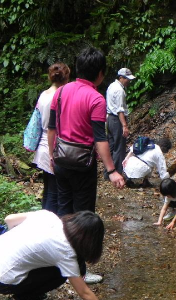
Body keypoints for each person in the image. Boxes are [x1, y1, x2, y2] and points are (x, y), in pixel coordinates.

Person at [48, 47, 124, 283]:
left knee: (63, 212)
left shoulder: (60, 93)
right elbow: (100, 138)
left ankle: (58, 264)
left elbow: (51, 128)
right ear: (100, 74)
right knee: (82, 217)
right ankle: (79, 271)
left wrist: (53, 155)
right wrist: (112, 170)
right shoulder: (96, 98)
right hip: (83, 165)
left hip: (61, 159)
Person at [0, 210, 104, 300]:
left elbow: (9, 219)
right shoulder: (65, 251)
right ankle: (25, 296)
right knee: (60, 274)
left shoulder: (48, 216)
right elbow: (84, 293)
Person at [32, 62, 70, 214]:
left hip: (42, 147)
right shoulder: (59, 96)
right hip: (52, 147)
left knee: (48, 190)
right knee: (55, 193)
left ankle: (43, 223)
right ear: (66, 78)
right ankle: (50, 227)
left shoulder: (44, 94)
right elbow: (55, 126)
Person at [103, 68, 136, 178]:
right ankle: (117, 173)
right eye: (127, 79)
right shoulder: (120, 90)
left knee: (111, 146)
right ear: (121, 78)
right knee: (119, 147)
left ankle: (107, 173)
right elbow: (120, 110)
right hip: (117, 120)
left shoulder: (111, 86)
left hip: (109, 119)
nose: (129, 81)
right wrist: (124, 126)